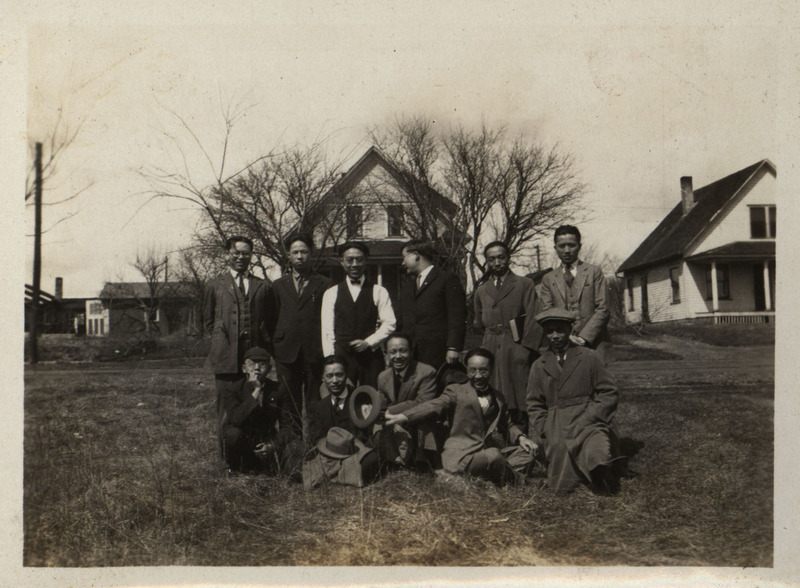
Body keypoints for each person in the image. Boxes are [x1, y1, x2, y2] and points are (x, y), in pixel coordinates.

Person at [386, 348, 536, 485]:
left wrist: (522, 438)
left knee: (530, 451)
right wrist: (405, 416)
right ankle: (521, 482)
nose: (477, 376)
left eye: (483, 371)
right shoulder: (455, 391)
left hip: (482, 453)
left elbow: (507, 424)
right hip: (461, 457)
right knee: (495, 455)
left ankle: (489, 478)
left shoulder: (498, 397)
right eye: (472, 371)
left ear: (491, 370)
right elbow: (434, 405)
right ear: (467, 370)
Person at [526, 308, 620, 494]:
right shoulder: (539, 365)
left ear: (570, 330)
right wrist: (546, 427)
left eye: (560, 330)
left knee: (597, 452)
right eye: (549, 331)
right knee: (561, 472)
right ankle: (579, 485)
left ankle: (600, 475)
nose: (554, 336)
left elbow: (608, 392)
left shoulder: (589, 357)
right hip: (556, 422)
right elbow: (534, 403)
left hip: (587, 418)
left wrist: (594, 415)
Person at [203, 236, 272, 439]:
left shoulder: (263, 286)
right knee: (226, 407)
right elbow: (207, 321)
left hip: (253, 358)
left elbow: (269, 320)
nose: (241, 257)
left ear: (251, 255)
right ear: (228, 254)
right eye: (236, 252)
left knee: (254, 402)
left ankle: (253, 455)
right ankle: (227, 457)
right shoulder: (214, 285)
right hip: (226, 358)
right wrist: (220, 345)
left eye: (245, 253)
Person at [267, 235, 333, 436]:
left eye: (304, 252)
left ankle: (315, 443)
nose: (300, 256)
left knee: (314, 399)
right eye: (295, 252)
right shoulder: (278, 285)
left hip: (314, 352)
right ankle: (292, 446)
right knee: (288, 399)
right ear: (288, 256)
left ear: (311, 254)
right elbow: (271, 319)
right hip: (286, 352)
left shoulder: (324, 284)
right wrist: (276, 346)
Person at [473, 241, 542, 428]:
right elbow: (478, 321)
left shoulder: (524, 284)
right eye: (492, 259)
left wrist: (525, 349)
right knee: (493, 397)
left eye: (501, 257)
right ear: (486, 262)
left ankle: (522, 442)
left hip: (515, 346)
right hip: (490, 347)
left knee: (518, 396)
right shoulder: (481, 290)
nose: (497, 263)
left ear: (508, 258)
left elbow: (534, 317)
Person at [320, 242, 396, 388]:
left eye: (359, 259)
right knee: (342, 398)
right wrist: (331, 359)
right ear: (342, 262)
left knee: (371, 397)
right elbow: (327, 329)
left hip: (371, 357)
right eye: (350, 260)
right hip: (342, 356)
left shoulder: (379, 291)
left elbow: (390, 323)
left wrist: (368, 342)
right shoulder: (331, 293)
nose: (354, 264)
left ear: (366, 261)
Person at [218, 347, 301, 475]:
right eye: (251, 364)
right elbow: (236, 419)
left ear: (268, 369)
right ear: (244, 368)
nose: (256, 368)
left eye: (262, 364)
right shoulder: (232, 389)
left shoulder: (279, 389)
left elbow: (288, 426)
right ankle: (236, 468)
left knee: (295, 444)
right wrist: (256, 391)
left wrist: (272, 445)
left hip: (268, 443)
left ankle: (284, 472)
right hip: (243, 442)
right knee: (231, 434)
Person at [539, 225, 610, 362]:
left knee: (595, 381)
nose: (566, 250)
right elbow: (548, 312)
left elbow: (603, 308)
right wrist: (566, 337)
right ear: (555, 248)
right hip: (562, 344)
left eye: (571, 245)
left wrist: (584, 338)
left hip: (594, 343)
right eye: (561, 246)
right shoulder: (548, 279)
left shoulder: (593, 272)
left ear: (579, 246)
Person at [395, 239, 466, 369]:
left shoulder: (446, 279)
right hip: (411, 353)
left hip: (437, 353)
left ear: (416, 255)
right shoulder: (408, 285)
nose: (402, 263)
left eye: (404, 257)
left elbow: (457, 316)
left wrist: (453, 347)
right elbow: (401, 320)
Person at [374, 332, 438, 467]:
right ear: (386, 354)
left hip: (417, 423)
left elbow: (422, 403)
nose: (398, 356)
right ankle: (392, 458)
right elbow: (381, 402)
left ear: (411, 351)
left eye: (403, 351)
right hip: (393, 425)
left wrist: (388, 412)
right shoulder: (382, 377)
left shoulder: (427, 372)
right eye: (393, 352)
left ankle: (418, 460)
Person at [307, 355, 359, 447]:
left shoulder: (358, 401)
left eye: (339, 375)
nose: (334, 380)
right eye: (329, 376)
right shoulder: (319, 408)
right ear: (323, 378)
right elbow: (315, 439)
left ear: (346, 375)